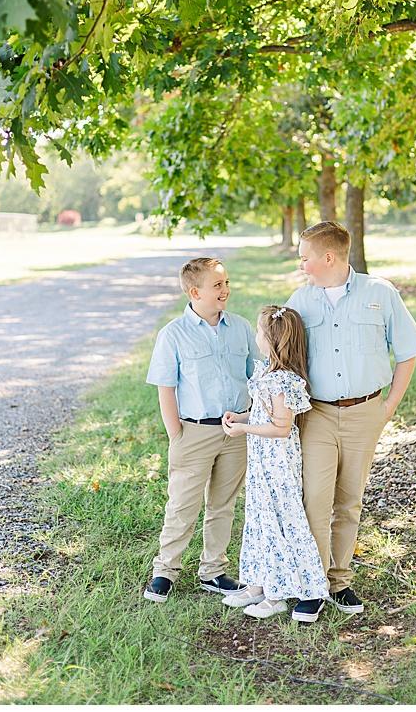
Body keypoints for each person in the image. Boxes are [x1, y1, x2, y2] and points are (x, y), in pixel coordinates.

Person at [286, 221, 416, 621]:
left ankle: (339, 581)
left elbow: (407, 351)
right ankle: (311, 586)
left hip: (366, 411)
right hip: (315, 414)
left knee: (348, 501)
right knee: (315, 498)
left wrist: (388, 408)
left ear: (327, 257)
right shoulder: (300, 299)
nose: (302, 265)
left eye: (305, 258)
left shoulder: (379, 293)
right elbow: (284, 357)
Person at [143, 257, 259, 603]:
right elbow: (165, 387)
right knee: (182, 505)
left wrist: (249, 418)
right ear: (195, 292)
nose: (226, 290)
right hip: (193, 431)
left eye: (226, 283)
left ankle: (213, 571)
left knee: (223, 504)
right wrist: (175, 433)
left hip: (236, 430)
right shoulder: (173, 334)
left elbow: (256, 375)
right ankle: (165, 570)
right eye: (218, 285)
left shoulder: (240, 328)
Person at [220, 305, 329, 621]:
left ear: (272, 340)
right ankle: (257, 584)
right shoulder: (267, 371)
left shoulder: (281, 381)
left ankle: (279, 593)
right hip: (261, 462)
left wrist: (243, 429)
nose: (256, 336)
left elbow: (281, 427)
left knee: (275, 521)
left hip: (277, 465)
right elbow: (263, 414)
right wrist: (241, 417)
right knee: (257, 518)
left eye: (259, 331)